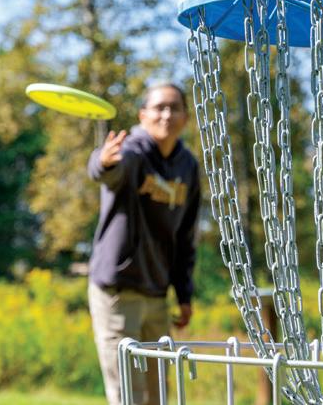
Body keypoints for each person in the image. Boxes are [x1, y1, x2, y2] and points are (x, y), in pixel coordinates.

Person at [87, 82, 201, 405]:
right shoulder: (132, 151)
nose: (166, 114)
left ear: (185, 118)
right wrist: (103, 162)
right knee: (128, 396)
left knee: (158, 395)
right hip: (118, 294)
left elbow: (185, 236)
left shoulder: (188, 166)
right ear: (143, 115)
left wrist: (184, 293)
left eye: (174, 108)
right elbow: (107, 170)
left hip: (157, 294)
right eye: (159, 107)